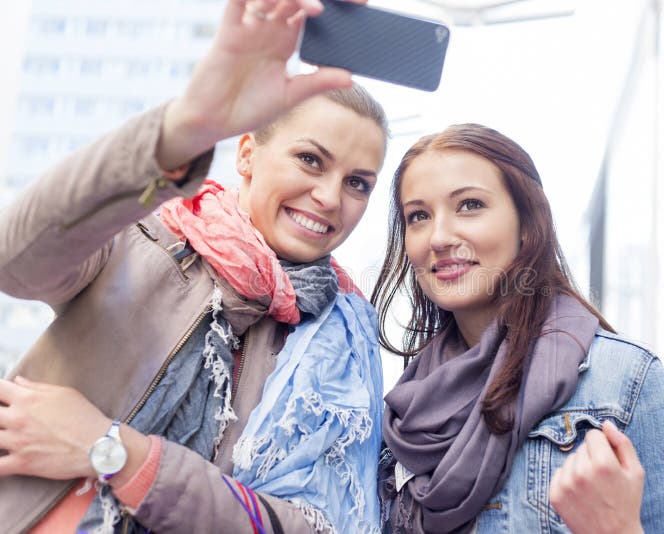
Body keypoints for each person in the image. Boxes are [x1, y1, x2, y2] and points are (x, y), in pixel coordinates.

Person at [0, 0, 387, 533]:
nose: (328, 196)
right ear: (247, 154)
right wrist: (182, 129)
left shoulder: (340, 343)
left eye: (357, 183)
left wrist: (115, 452)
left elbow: (312, 527)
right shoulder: (144, 242)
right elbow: (15, 261)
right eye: (310, 160)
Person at [371, 123, 664, 533]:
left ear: (528, 224)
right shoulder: (401, 416)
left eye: (470, 205)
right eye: (419, 216)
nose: (438, 237)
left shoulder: (625, 384)